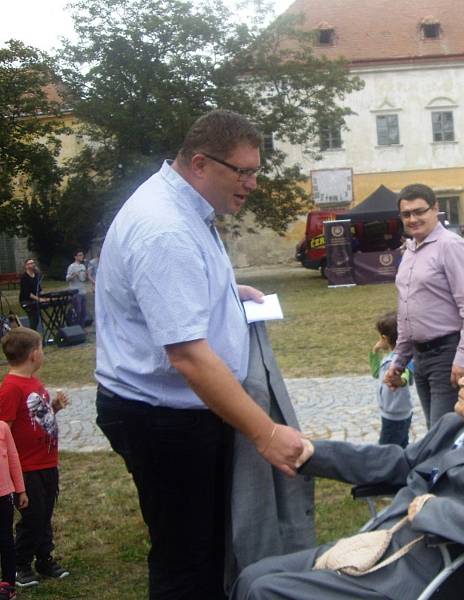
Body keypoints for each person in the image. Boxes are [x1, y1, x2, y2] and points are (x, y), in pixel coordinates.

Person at [93, 109, 305, 599]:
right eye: (244, 172)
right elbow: (188, 356)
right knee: (187, 561)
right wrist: (265, 432)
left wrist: (227, 292)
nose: (252, 184)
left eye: (256, 171)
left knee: (205, 547)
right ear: (201, 164)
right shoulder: (165, 228)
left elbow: (172, 292)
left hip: (177, 415)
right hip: (163, 420)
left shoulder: (182, 208)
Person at [232, 336, 464, 600]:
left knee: (265, 592)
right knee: (252, 576)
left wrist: (432, 509)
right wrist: (314, 453)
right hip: (380, 545)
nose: (463, 379)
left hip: (413, 573)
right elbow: (401, 463)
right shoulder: (454, 426)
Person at [385, 184, 464, 429]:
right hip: (420, 358)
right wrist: (399, 360)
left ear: (436, 209)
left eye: (419, 211)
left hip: (448, 355)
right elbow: (406, 310)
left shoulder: (451, 246)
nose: (413, 219)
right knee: (436, 432)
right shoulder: (410, 250)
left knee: (443, 437)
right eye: (406, 214)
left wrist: (463, 358)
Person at [0, 328, 69, 590]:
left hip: (47, 462)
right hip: (27, 467)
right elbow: (3, 430)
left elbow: (35, 419)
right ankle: (20, 564)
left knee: (45, 513)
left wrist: (55, 409)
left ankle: (44, 558)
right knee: (33, 515)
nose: (43, 352)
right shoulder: (10, 389)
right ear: (33, 354)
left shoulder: (34, 383)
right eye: (41, 347)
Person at [370, 312, 414, 448]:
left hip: (395, 415)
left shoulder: (400, 360)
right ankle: (403, 466)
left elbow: (407, 375)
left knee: (386, 450)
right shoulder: (390, 358)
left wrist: (400, 381)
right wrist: (374, 352)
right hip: (394, 413)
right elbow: (376, 373)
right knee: (401, 446)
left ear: (384, 338)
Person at [0, 418, 27, 600]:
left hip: (3, 495)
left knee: (5, 539)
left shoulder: (2, 428)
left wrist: (21, 490)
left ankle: (8, 584)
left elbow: (14, 458)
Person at [65, 250, 90, 327]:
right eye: (79, 255)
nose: (81, 257)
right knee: (77, 310)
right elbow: (67, 278)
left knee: (83, 311)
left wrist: (86, 275)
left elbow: (84, 279)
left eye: (82, 255)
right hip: (75, 291)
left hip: (83, 291)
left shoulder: (83, 266)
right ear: (75, 257)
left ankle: (82, 326)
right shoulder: (72, 266)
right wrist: (74, 275)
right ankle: (76, 326)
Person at [18, 259, 43, 333]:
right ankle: (31, 336)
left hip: (35, 300)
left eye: (33, 263)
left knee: (36, 319)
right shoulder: (24, 277)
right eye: (30, 263)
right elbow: (27, 293)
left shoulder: (36, 276)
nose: (32, 264)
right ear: (26, 266)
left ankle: (33, 334)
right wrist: (39, 299)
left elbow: (39, 290)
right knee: (33, 319)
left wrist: (45, 297)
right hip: (26, 300)